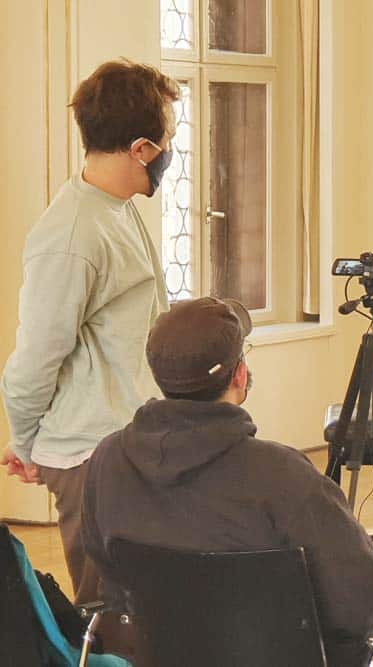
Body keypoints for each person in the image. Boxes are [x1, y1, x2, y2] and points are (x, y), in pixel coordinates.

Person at [81, 297, 373, 666]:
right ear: (239, 375)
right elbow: (364, 608)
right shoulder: (285, 476)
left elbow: (111, 589)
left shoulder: (107, 461)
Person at [1, 60, 174, 605]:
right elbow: (36, 356)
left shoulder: (116, 209)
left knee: (148, 610)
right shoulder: (72, 232)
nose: (171, 150)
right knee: (111, 619)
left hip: (127, 445)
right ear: (141, 147)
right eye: (168, 137)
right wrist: (26, 443)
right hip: (92, 459)